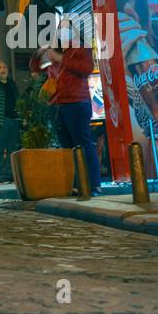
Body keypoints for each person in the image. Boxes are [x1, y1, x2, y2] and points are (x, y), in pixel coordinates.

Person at [49, 18, 102, 195]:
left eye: (66, 28)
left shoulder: (82, 49)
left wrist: (60, 59)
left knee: (84, 143)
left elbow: (85, 68)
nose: (63, 32)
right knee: (68, 147)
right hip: (60, 105)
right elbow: (51, 75)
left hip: (77, 103)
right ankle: (76, 184)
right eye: (60, 29)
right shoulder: (59, 53)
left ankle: (93, 184)